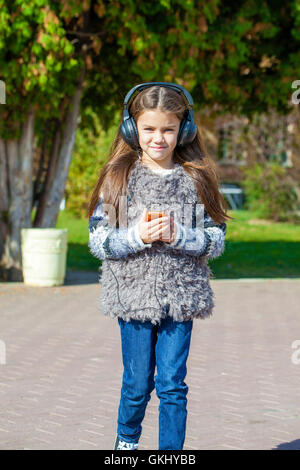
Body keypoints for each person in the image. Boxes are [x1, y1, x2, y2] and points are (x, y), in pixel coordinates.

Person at [88, 82, 233, 451]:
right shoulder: (121, 179)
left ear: (184, 129)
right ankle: (126, 442)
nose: (158, 138)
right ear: (131, 127)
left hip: (181, 297)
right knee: (137, 385)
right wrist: (136, 235)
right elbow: (100, 242)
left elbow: (216, 240)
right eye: (149, 128)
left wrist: (180, 235)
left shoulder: (196, 178)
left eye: (169, 129)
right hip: (133, 299)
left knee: (172, 384)